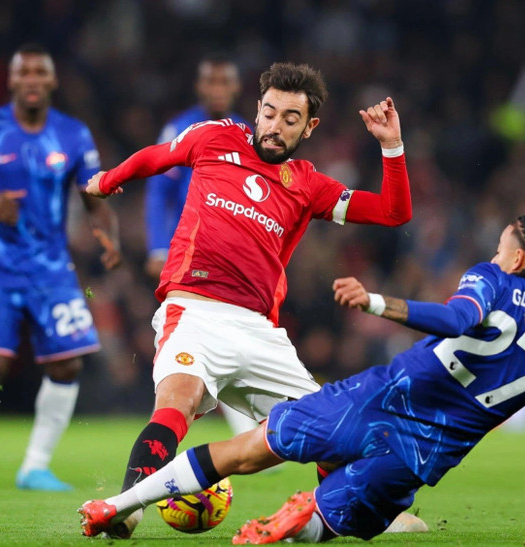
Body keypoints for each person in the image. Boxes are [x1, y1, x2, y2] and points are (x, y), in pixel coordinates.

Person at [78, 213, 525, 545]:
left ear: (517, 260)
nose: (495, 251)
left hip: (378, 395)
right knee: (338, 520)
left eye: (502, 246)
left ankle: (120, 503)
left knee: (247, 449)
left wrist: (377, 302)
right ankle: (304, 515)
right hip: (423, 451)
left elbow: (457, 319)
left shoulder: (493, 277)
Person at [84, 62, 417, 536]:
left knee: (336, 435)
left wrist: (391, 145)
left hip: (260, 330)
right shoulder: (216, 138)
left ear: (310, 126)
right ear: (256, 109)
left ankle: (365, 514)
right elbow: (156, 158)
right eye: (269, 112)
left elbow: (393, 211)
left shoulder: (308, 183)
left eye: (289, 119)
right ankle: (126, 508)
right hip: (194, 308)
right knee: (179, 398)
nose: (275, 127)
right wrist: (109, 179)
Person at [0, 43, 121, 492]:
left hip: (52, 268)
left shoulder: (73, 135)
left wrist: (106, 232)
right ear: (13, 80)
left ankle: (34, 465)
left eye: (41, 71)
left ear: (53, 81)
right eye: (25, 72)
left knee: (68, 366)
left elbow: (93, 196)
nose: (33, 79)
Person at [142, 53, 257, 438]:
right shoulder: (179, 127)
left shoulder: (249, 131)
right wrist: (157, 247)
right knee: (204, 335)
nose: (218, 89)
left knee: (230, 335)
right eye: (212, 82)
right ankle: (174, 411)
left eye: (225, 82)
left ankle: (247, 429)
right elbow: (158, 191)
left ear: (237, 87)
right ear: (200, 86)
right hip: (188, 253)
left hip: (232, 253)